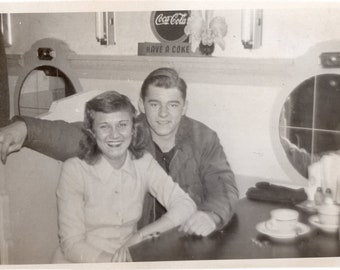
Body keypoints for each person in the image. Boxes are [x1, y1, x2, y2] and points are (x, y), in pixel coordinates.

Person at [0, 67, 239, 236]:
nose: (163, 114)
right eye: (155, 104)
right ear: (141, 105)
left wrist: (211, 216)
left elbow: (225, 187)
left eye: (173, 105)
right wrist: (26, 128)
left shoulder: (204, 138)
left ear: (184, 107)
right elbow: (72, 136)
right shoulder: (128, 132)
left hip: (188, 240)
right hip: (139, 245)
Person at [53, 90, 196, 263]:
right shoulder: (74, 170)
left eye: (122, 124)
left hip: (129, 258)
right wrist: (116, 264)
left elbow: (186, 205)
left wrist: (140, 236)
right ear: (92, 132)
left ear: (133, 129)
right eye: (104, 126)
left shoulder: (143, 162)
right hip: (84, 262)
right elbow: (71, 245)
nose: (115, 135)